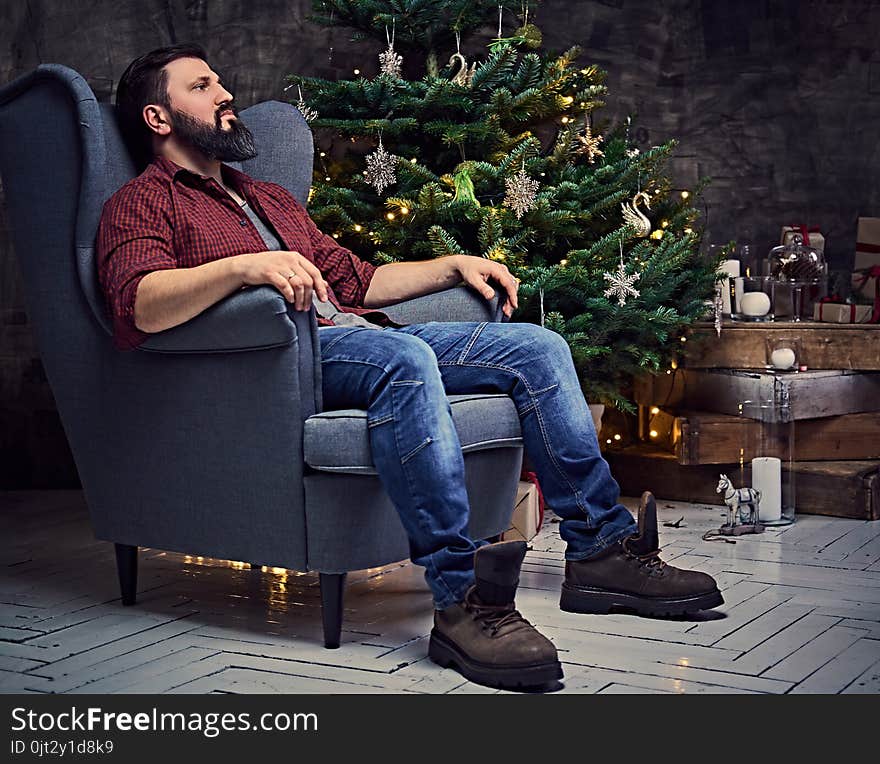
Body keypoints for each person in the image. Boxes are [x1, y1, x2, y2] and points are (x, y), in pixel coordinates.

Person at [97, 44, 723, 692]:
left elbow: (357, 280)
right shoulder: (145, 203)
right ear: (158, 118)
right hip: (288, 360)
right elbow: (138, 303)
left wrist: (454, 265)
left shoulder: (268, 200)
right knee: (405, 358)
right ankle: (461, 602)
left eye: (220, 81)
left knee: (538, 348)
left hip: (361, 333)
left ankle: (600, 553)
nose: (224, 93)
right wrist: (243, 268)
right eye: (203, 86)